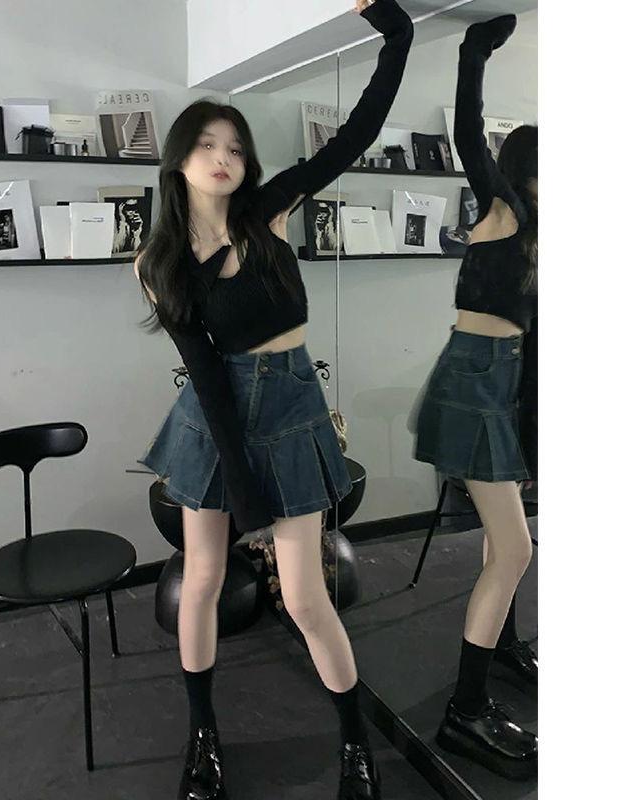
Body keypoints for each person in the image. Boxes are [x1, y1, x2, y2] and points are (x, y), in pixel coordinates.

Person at [134, 2, 413, 797]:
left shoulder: (269, 211)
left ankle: (355, 746)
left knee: (305, 596)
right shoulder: (160, 263)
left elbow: (356, 134)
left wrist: (393, 31)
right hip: (216, 418)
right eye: (206, 144)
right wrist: (242, 488)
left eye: (235, 147)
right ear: (179, 159)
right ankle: (203, 738)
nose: (223, 157)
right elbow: (206, 375)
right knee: (203, 580)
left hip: (291, 405)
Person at [412, 14, 538, 781]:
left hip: (504, 384)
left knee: (507, 537)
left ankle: (506, 648)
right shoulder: (506, 211)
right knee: (517, 548)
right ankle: (465, 710)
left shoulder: (540, 232)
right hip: (475, 385)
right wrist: (473, 54)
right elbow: (467, 135)